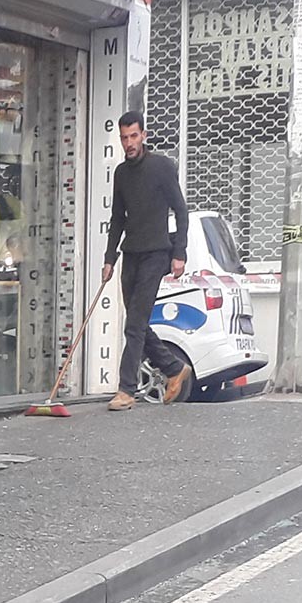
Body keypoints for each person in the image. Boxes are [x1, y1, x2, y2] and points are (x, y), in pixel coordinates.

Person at [101, 111, 191, 410]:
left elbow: (181, 210)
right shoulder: (121, 174)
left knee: (135, 323)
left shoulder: (162, 167)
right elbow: (117, 219)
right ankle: (174, 368)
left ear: (144, 136)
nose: (129, 143)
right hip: (131, 254)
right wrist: (109, 258)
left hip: (157, 253)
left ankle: (126, 390)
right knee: (136, 323)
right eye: (124, 137)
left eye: (134, 136)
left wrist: (179, 253)